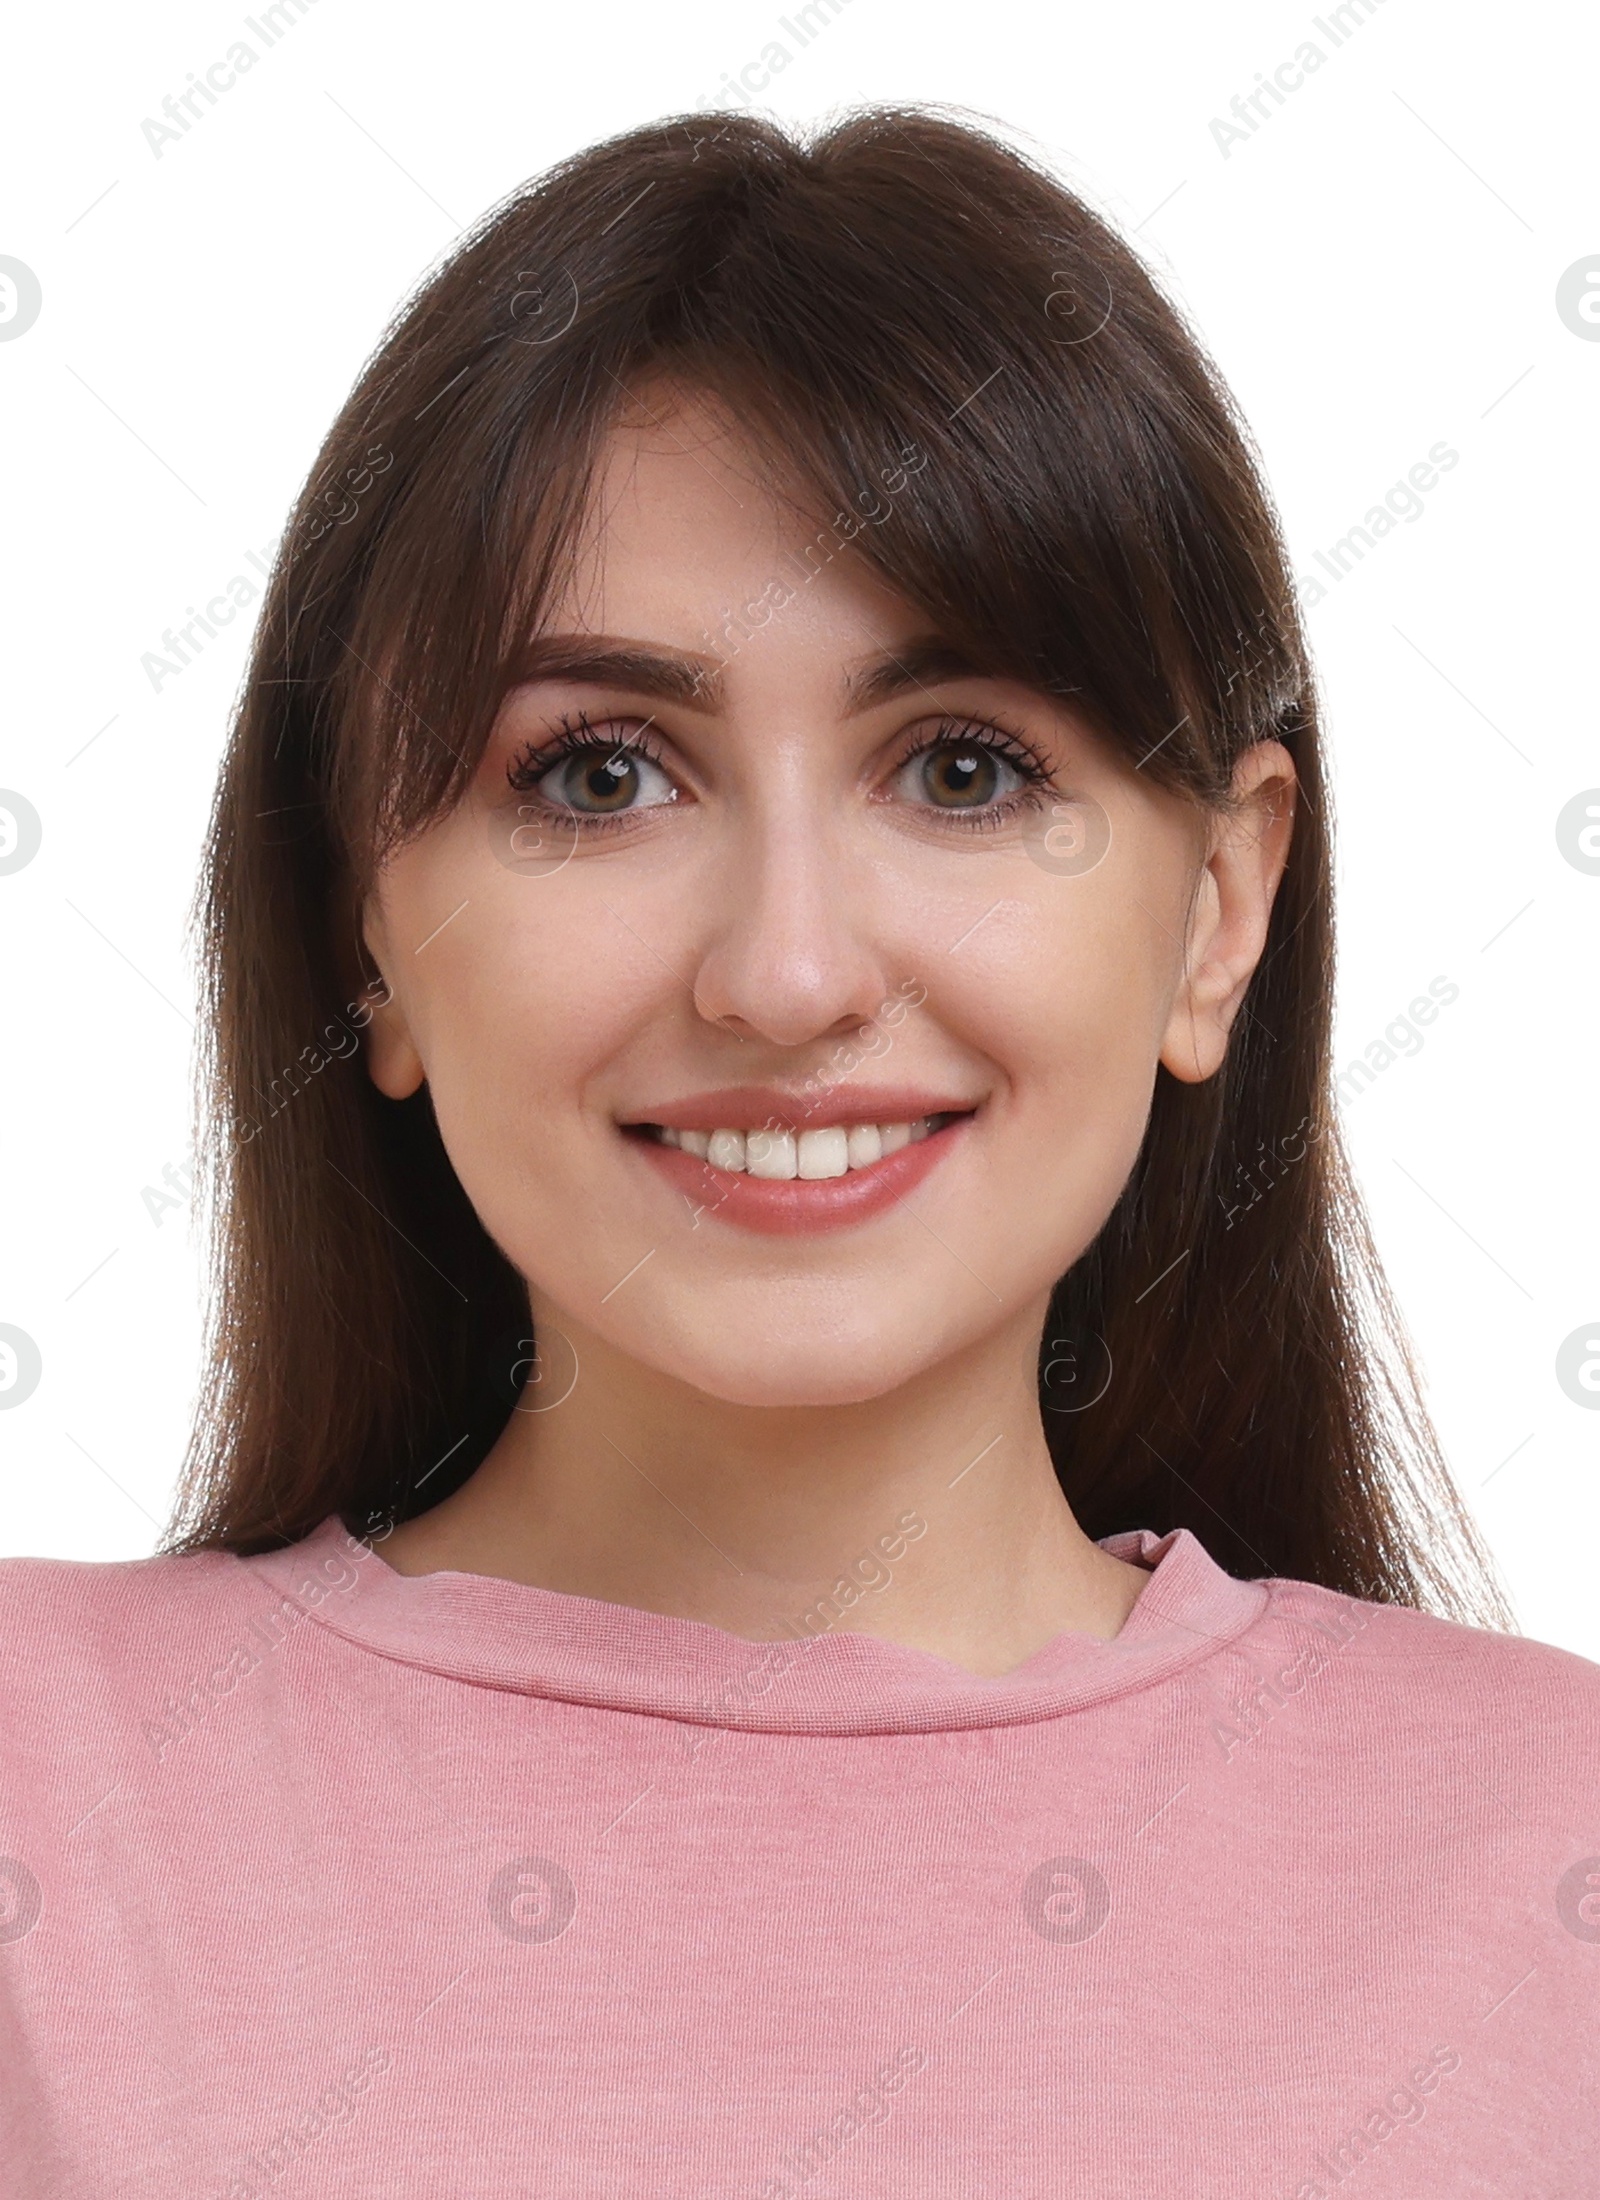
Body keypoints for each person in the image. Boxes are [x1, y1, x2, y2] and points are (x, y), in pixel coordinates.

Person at [2, 103, 1594, 2198]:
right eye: (595, 773)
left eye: (957, 765)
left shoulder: (1542, 1854)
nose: (782, 968)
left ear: (1216, 910)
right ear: (362, 940)